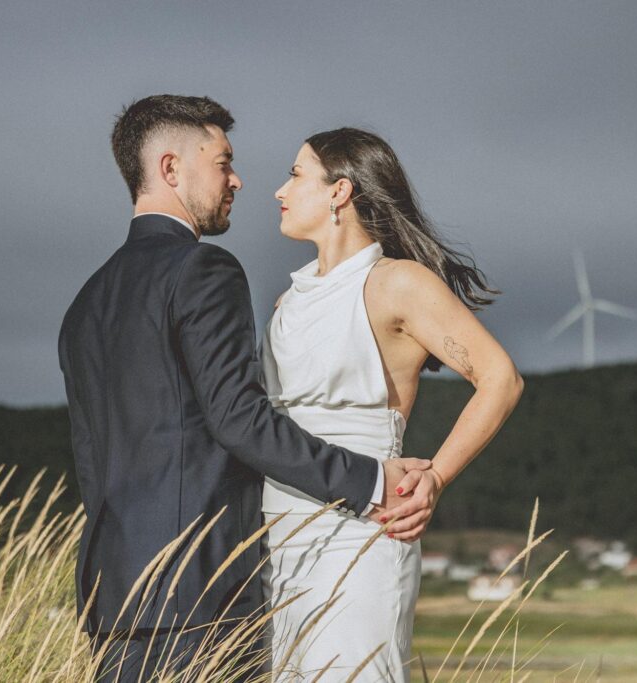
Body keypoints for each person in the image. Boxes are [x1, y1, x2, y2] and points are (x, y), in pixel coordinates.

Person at [57, 96, 432, 682]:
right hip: (200, 593)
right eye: (222, 161)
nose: (237, 179)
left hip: (110, 595)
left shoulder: (86, 303)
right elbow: (240, 421)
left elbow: (91, 455)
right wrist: (372, 479)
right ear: (171, 168)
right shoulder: (203, 270)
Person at [261, 128, 524, 681]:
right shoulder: (289, 299)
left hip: (365, 519)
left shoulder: (397, 283)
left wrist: (438, 477)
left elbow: (500, 378)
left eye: (295, 174)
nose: (280, 190)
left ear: (339, 191)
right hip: (280, 524)